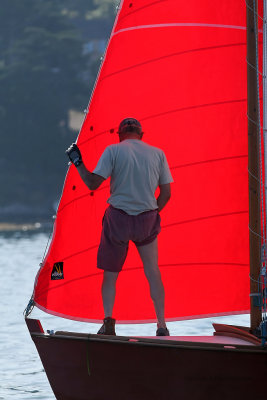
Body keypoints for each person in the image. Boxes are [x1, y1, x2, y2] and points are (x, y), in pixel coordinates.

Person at [66, 118, 173, 336]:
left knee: (111, 275)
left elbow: (93, 183)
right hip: (147, 219)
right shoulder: (158, 153)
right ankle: (162, 325)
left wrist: (77, 162)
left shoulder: (113, 150)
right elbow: (167, 193)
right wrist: (152, 213)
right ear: (141, 135)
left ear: (120, 135)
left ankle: (108, 323)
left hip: (118, 220)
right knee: (153, 272)